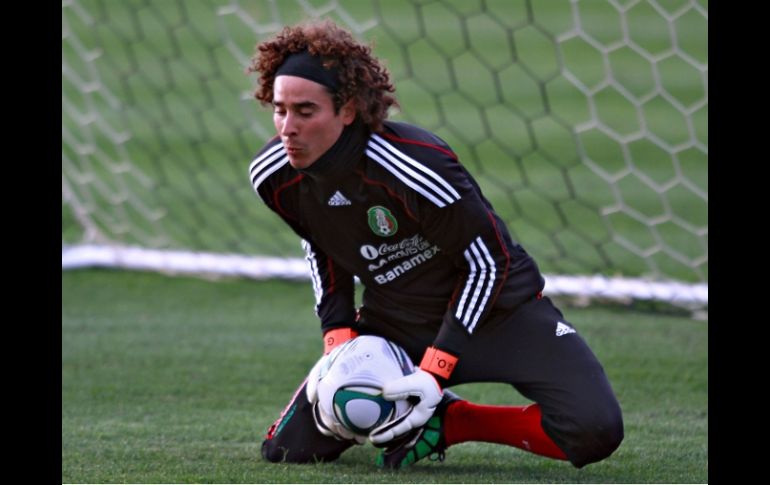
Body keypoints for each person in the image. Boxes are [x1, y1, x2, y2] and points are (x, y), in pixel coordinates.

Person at [248, 19, 623, 469]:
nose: (287, 128)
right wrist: (339, 337)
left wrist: (436, 369)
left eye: (305, 112)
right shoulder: (274, 175)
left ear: (347, 109)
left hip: (500, 312)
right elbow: (321, 245)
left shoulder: (416, 167)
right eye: (279, 109)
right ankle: (425, 408)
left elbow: (488, 262)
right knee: (287, 451)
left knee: (594, 429)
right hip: (398, 324)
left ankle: (454, 421)